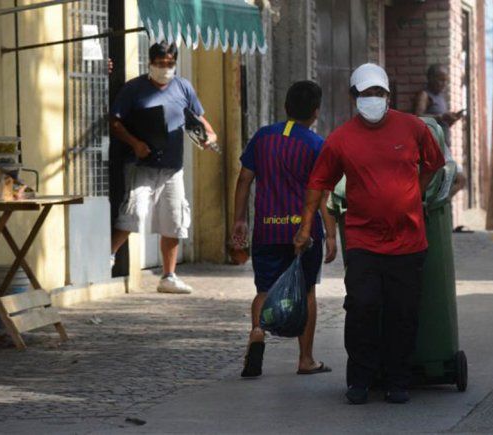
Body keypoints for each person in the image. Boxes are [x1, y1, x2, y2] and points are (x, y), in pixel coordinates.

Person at [294, 63, 445, 405]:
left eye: (378, 93)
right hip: (363, 240)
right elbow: (318, 182)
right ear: (354, 98)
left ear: (388, 96)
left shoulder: (412, 127)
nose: (372, 99)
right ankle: (360, 379)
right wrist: (306, 225)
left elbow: (435, 162)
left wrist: (416, 194)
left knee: (402, 311)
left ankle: (397, 380)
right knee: (362, 306)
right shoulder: (341, 139)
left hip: (408, 240)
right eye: (366, 94)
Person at [231, 81, 337, 378]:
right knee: (307, 292)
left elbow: (244, 180)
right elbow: (323, 194)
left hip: (266, 229)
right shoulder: (317, 145)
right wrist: (330, 233)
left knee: (264, 289)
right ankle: (305, 359)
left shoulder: (263, 137)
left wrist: (239, 219)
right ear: (315, 112)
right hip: (303, 234)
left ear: (286, 107)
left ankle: (256, 332)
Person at [110, 41, 217, 294]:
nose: (165, 68)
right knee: (133, 213)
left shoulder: (183, 87)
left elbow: (199, 118)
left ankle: (168, 276)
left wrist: (210, 135)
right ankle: (109, 256)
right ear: (150, 63)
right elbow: (115, 122)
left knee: (174, 218)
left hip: (173, 167)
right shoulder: (134, 89)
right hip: (142, 165)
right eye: (160, 64)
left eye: (170, 64)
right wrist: (135, 143)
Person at [413, 64, 466, 197]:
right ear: (430, 78)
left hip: (443, 147)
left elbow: (440, 124)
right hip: (433, 147)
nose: (443, 84)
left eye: (446, 80)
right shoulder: (425, 95)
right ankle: (437, 205)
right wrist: (441, 116)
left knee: (456, 180)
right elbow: (417, 118)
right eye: (440, 80)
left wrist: (450, 120)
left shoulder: (440, 98)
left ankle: (439, 204)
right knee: (460, 179)